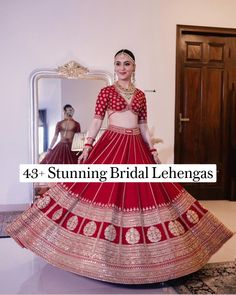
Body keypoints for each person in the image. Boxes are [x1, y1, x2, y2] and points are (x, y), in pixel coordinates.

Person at [6, 49, 233, 284]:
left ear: (134, 67)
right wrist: (87, 146)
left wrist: (153, 150)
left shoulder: (141, 95)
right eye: (118, 63)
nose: (122, 68)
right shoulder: (105, 91)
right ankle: (99, 257)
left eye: (127, 63)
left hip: (136, 147)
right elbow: (96, 121)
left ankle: (142, 260)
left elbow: (144, 125)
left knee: (145, 195)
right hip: (111, 145)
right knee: (100, 194)